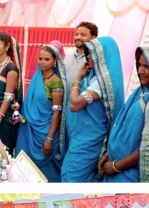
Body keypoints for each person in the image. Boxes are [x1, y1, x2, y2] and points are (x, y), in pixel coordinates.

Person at [62, 36, 124, 182]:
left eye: (92, 53)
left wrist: (78, 78)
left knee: (72, 179)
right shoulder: (91, 78)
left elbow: (75, 104)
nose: (88, 56)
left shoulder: (101, 85)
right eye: (87, 53)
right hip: (78, 138)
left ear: (103, 56)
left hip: (89, 141)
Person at [16, 43, 67, 181]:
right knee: (24, 168)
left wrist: (49, 138)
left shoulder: (55, 82)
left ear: (55, 61)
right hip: (28, 131)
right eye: (40, 58)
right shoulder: (36, 78)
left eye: (47, 59)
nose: (42, 62)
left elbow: (57, 113)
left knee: (45, 172)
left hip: (44, 133)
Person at [99, 46, 149, 180]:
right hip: (115, 166)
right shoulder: (140, 91)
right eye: (139, 65)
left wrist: (117, 166)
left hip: (129, 174)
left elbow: (146, 148)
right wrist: (110, 153)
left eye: (146, 66)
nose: (140, 71)